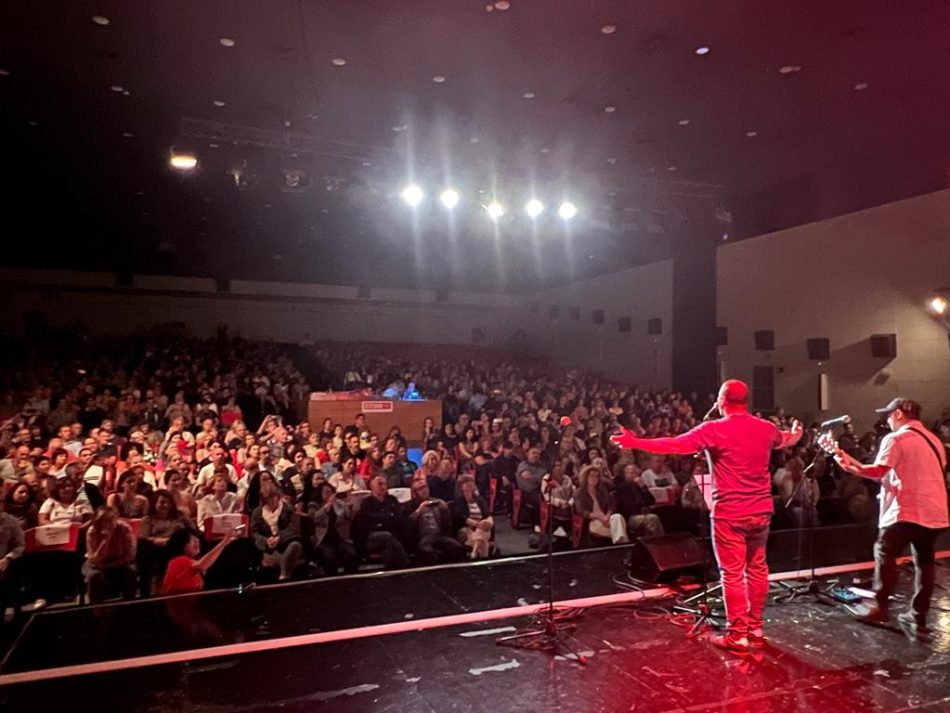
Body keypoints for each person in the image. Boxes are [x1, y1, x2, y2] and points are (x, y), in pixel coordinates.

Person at [611, 379, 802, 653]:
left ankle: (737, 635)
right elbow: (786, 439)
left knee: (732, 574)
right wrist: (796, 432)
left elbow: (676, 445)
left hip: (730, 513)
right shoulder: (765, 427)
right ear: (746, 402)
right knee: (757, 569)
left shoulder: (715, 429)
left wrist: (635, 442)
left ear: (721, 402)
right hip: (761, 511)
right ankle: (755, 628)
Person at [832, 398, 948, 635]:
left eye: (887, 415)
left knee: (884, 551)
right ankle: (918, 614)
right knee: (924, 561)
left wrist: (848, 467)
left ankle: (879, 607)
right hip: (935, 511)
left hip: (905, 510)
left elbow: (877, 471)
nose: (885, 420)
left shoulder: (896, 439)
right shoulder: (934, 440)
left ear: (898, 414)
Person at [250, 482, 304, 581]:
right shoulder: (257, 512)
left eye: (274, 496)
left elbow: (294, 528)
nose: (273, 500)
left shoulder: (288, 508)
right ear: (264, 499)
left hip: (287, 543)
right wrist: (267, 541)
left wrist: (279, 537)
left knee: (295, 546)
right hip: (269, 548)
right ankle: (285, 575)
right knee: (278, 559)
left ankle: (284, 575)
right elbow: (254, 533)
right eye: (269, 498)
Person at [404, 480, 466, 565]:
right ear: (415, 493)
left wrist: (445, 510)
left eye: (425, 487)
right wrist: (418, 511)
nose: (424, 490)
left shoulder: (436, 502)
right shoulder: (410, 505)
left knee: (457, 547)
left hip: (439, 534)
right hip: (422, 537)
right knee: (427, 551)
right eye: (420, 488)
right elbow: (407, 525)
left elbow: (448, 524)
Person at [161, 527, 238, 595]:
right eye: (194, 541)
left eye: (198, 541)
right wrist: (223, 543)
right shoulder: (178, 560)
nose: (198, 543)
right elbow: (202, 565)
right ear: (183, 545)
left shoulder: (192, 565)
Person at [83, 507, 137, 603]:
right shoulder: (92, 531)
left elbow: (130, 555)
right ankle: (95, 609)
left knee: (131, 572)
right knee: (94, 576)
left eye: (110, 519)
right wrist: (105, 541)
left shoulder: (125, 529)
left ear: (116, 518)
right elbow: (93, 560)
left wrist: (110, 566)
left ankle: (129, 605)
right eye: (102, 520)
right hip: (97, 564)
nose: (106, 524)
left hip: (119, 561)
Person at [354, 475, 409, 568]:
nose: (383, 486)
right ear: (372, 486)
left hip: (392, 533)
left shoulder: (392, 500)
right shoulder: (366, 502)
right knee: (387, 536)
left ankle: (392, 572)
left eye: (385, 484)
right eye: (380, 484)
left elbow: (398, 517)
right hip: (371, 536)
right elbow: (367, 519)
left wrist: (382, 519)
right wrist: (389, 516)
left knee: (390, 543)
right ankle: (406, 565)